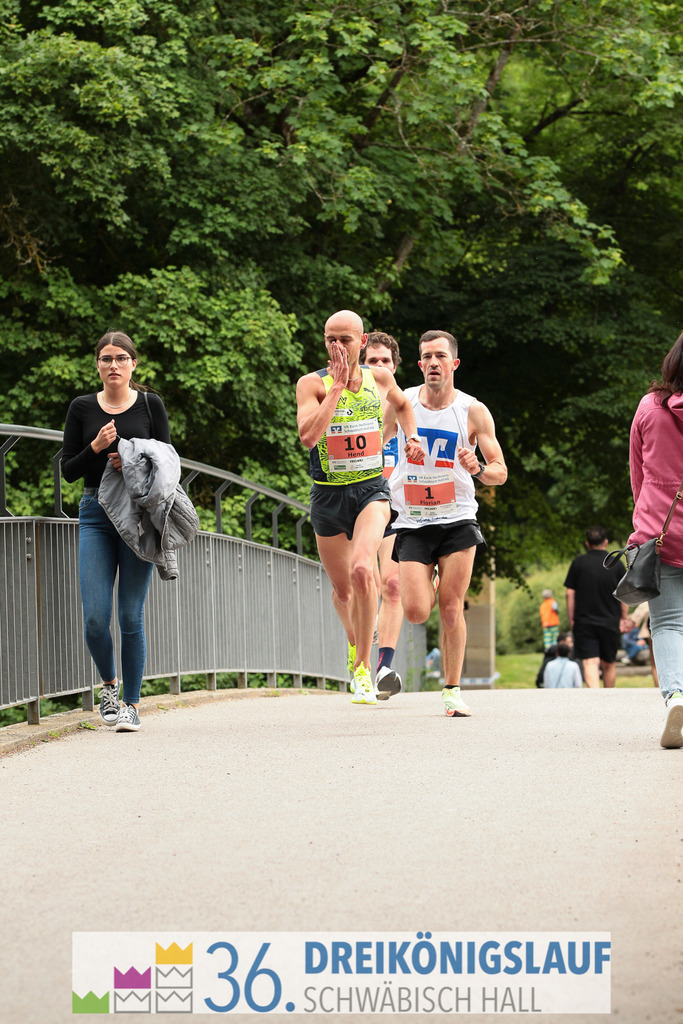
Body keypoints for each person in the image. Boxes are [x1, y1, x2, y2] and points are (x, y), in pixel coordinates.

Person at [296, 310, 425, 704]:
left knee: (362, 568)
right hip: (328, 494)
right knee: (342, 589)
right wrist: (335, 389)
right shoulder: (311, 384)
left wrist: (413, 437)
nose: (337, 347)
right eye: (330, 339)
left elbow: (403, 406)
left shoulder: (379, 378)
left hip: (371, 491)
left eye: (345, 340)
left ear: (362, 340)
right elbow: (308, 436)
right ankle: (355, 646)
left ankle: (365, 670)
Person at [384, 329, 507, 717]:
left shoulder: (473, 410)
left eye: (440, 356)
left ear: (453, 363)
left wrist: (479, 468)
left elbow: (500, 472)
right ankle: (431, 577)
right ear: (419, 364)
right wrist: (393, 458)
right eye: (426, 357)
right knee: (418, 611)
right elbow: (376, 449)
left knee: (451, 608)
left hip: (456, 519)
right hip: (413, 520)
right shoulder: (401, 404)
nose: (433, 363)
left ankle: (452, 691)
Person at [62, 330, 172, 733]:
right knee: (94, 617)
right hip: (95, 512)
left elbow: (169, 462)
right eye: (106, 359)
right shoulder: (81, 408)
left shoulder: (149, 404)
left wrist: (133, 465)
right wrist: (93, 448)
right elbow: (68, 471)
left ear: (133, 364)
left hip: (138, 515)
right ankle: (109, 684)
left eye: (121, 359)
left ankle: (130, 704)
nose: (113, 365)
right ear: (97, 364)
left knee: (129, 615)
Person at [628, 331, 683, 747]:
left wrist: (644, 523)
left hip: (661, 535)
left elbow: (638, 476)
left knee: (666, 623)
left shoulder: (650, 407)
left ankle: (675, 696)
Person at [360, 331, 405, 699]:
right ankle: (357, 654)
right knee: (363, 583)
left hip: (398, 506)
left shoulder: (409, 404)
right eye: (370, 361)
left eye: (384, 362)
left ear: (395, 367)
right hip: (360, 501)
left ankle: (382, 668)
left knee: (392, 584)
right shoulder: (347, 401)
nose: (377, 368)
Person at [564, 526, 630, 689]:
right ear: (606, 542)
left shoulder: (578, 563)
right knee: (609, 664)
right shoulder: (616, 564)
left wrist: (572, 619)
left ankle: (595, 702)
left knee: (590, 662)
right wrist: (623, 618)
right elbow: (625, 594)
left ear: (587, 544)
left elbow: (569, 594)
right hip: (610, 622)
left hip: (584, 622)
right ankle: (608, 699)